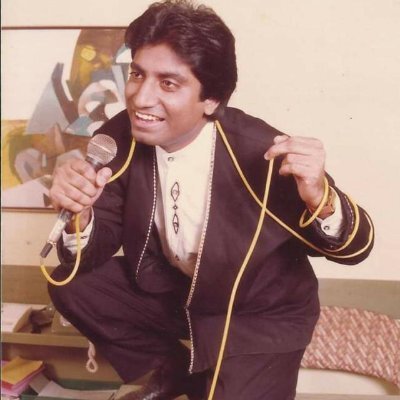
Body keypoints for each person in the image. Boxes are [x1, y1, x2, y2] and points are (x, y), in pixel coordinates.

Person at [47, 1, 374, 399]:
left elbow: (356, 250)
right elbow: (93, 250)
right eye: (137, 74)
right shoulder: (120, 136)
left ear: (212, 100)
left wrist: (322, 199)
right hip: (180, 296)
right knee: (71, 283)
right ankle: (169, 370)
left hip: (259, 315)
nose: (140, 98)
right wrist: (81, 216)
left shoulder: (262, 150)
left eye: (168, 84)